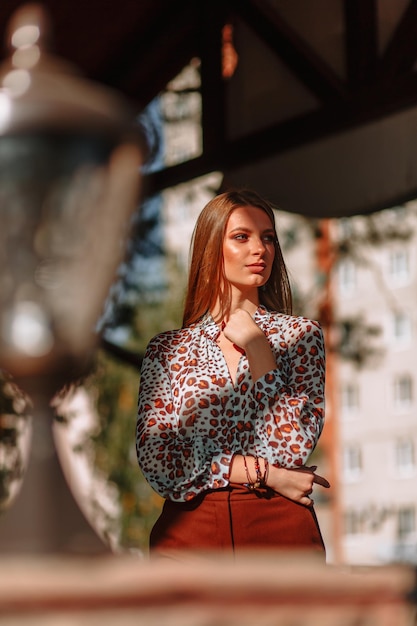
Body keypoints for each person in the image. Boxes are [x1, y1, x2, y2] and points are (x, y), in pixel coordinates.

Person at [136, 189, 329, 559]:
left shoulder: (300, 336)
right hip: (189, 533)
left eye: (268, 237)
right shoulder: (168, 350)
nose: (261, 249)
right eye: (242, 237)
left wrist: (258, 348)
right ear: (212, 249)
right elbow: (158, 461)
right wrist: (268, 474)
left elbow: (293, 446)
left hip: (279, 530)